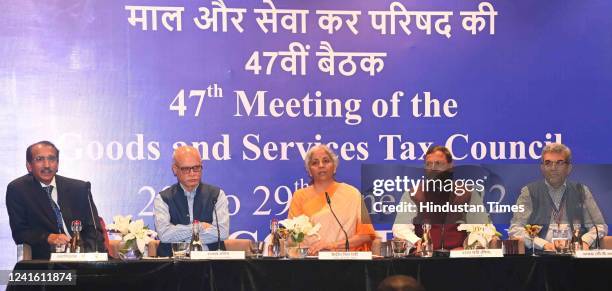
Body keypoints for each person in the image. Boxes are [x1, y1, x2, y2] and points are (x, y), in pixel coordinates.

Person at [6, 141, 105, 259]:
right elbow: (20, 233)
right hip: (46, 260)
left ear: (57, 164)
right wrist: (48, 237)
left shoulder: (79, 188)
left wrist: (90, 258)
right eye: (39, 159)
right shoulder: (18, 190)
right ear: (29, 166)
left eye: (52, 159)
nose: (47, 165)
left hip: (83, 258)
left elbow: (93, 230)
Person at [509, 143, 607, 251]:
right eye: (548, 163)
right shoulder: (529, 192)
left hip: (576, 256)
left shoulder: (581, 190)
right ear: (542, 168)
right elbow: (516, 228)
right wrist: (542, 244)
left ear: (569, 168)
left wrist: (584, 241)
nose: (553, 168)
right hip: (541, 257)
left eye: (559, 163)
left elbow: (600, 226)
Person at [392, 146, 489, 252]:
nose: (433, 168)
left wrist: (467, 247)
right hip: (425, 256)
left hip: (459, 256)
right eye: (428, 164)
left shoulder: (468, 193)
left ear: (450, 166)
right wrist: (417, 242)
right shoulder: (414, 194)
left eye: (438, 164)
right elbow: (400, 227)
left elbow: (482, 227)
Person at [287, 144, 375, 255]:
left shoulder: (353, 194)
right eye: (315, 162)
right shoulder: (299, 196)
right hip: (310, 260)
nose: (321, 165)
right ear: (309, 171)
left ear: (334, 167)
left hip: (345, 262)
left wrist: (332, 246)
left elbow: (366, 235)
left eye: (326, 161)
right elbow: (292, 239)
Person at [154, 146, 229, 256]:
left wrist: (178, 233)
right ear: (175, 169)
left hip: (210, 264)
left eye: (196, 168)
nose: (192, 173)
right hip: (173, 264)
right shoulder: (163, 198)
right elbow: (164, 235)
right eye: (186, 169)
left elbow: (222, 233)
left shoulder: (217, 195)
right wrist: (199, 226)